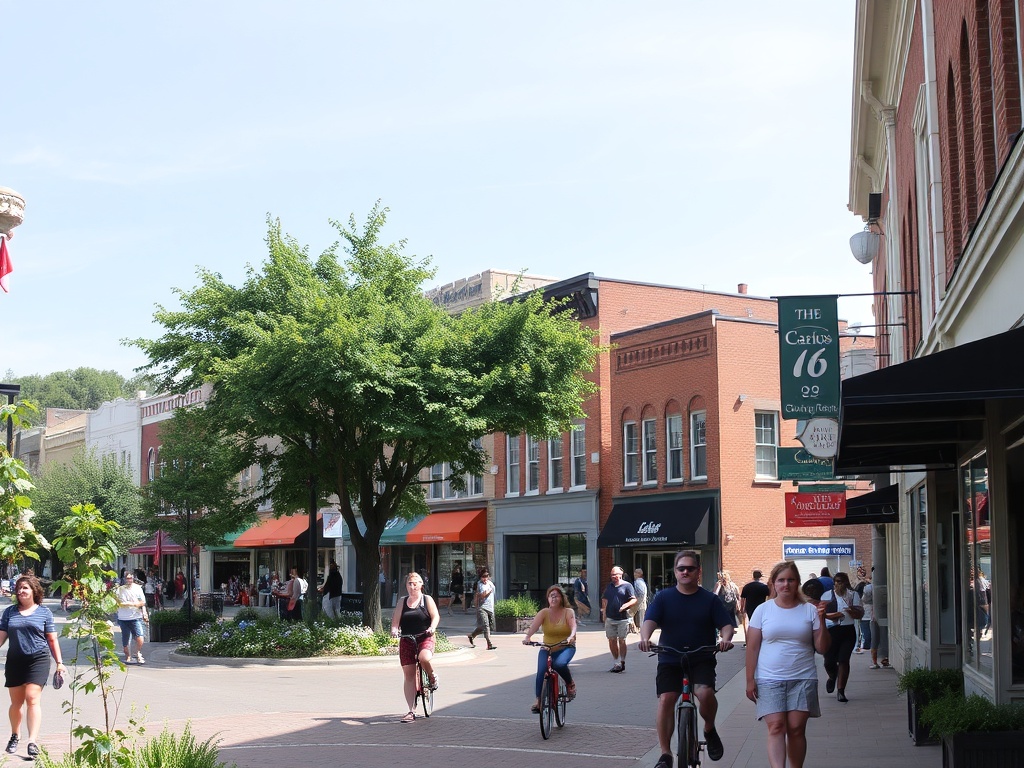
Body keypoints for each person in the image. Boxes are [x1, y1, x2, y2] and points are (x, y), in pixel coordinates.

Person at [639, 550, 734, 766]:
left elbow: (726, 625)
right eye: (681, 568)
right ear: (675, 571)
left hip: (701, 657)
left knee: (704, 692)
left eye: (690, 568)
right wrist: (645, 638)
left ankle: (709, 728)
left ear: (698, 571)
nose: (685, 572)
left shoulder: (709, 599)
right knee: (666, 699)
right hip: (670, 657)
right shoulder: (664, 597)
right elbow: (650, 620)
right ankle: (665, 754)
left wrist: (726, 639)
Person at [745, 561, 830, 768]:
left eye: (791, 580)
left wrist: (822, 619)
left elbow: (822, 648)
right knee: (776, 727)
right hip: (769, 678)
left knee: (796, 728)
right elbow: (752, 647)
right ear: (773, 584)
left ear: (798, 583)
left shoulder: (809, 610)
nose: (786, 585)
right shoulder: (763, 611)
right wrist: (750, 680)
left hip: (803, 677)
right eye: (781, 580)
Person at [1, 575, 66, 760]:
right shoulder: (9, 612)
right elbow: (1, 636)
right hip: (15, 660)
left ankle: (32, 741)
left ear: (34, 591)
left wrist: (59, 663)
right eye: (19, 588)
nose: (21, 591)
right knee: (16, 703)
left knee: (32, 698)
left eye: (25, 588)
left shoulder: (44, 612)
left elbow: (52, 639)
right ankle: (15, 735)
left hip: (38, 659)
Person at [390, 571, 440, 723]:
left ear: (421, 585)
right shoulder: (402, 602)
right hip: (407, 639)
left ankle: (432, 677)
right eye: (410, 584)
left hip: (424, 636)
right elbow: (395, 621)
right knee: (409, 675)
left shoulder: (427, 599)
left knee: (424, 657)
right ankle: (411, 711)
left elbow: (435, 616)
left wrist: (432, 627)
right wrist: (394, 630)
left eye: (415, 583)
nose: (412, 586)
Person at [522, 585, 578, 712]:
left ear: (561, 598)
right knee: (541, 670)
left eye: (556, 596)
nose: (553, 598)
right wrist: (528, 637)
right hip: (547, 647)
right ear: (548, 598)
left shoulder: (568, 612)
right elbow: (534, 627)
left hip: (565, 646)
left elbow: (573, 626)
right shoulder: (544, 613)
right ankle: (538, 700)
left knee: (559, 664)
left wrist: (571, 636)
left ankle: (570, 683)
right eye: (551, 596)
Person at [821, 571, 863, 702]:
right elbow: (820, 614)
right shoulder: (827, 595)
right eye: (837, 581)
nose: (839, 584)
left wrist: (852, 610)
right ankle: (832, 676)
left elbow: (859, 614)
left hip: (847, 631)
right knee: (829, 661)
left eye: (842, 581)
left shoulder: (853, 595)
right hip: (831, 631)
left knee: (844, 660)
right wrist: (835, 615)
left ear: (846, 583)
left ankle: (841, 691)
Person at [601, 565, 637, 673]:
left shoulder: (627, 586)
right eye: (612, 575)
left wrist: (626, 606)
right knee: (611, 640)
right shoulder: (610, 586)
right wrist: (604, 613)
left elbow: (634, 599)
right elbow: (605, 599)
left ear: (621, 574)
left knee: (622, 640)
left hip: (622, 619)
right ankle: (616, 662)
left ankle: (622, 661)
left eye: (615, 574)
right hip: (610, 618)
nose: (614, 576)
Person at [115, 572, 148, 664]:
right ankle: (128, 656)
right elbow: (119, 603)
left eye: (130, 578)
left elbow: (143, 602)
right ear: (124, 579)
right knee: (126, 638)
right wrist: (134, 604)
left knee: (140, 637)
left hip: (136, 616)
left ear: (133, 578)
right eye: (127, 578)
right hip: (123, 618)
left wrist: (144, 612)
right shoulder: (120, 590)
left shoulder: (138, 588)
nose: (129, 580)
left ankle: (137, 652)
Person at [467, 568, 497, 650]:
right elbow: (482, 595)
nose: (485, 578)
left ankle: (472, 635)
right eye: (483, 576)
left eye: (486, 576)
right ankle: (489, 644)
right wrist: (489, 591)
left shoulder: (491, 584)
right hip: (482, 608)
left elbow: (494, 596)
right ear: (480, 577)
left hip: (490, 608)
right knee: (486, 626)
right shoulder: (479, 584)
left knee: (489, 627)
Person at [740, 570, 771, 640]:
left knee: (752, 623)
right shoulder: (764, 587)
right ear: (761, 577)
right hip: (761, 607)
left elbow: (742, 598)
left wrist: (742, 608)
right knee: (762, 623)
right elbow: (770, 597)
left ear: (753, 576)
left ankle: (752, 638)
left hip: (750, 607)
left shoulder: (747, 586)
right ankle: (760, 638)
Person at [631, 568, 649, 633]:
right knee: (641, 616)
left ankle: (638, 629)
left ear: (639, 574)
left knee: (630, 614)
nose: (634, 574)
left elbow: (641, 593)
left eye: (635, 572)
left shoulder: (638, 582)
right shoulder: (642, 582)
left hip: (640, 601)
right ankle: (639, 629)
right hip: (642, 601)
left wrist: (637, 600)